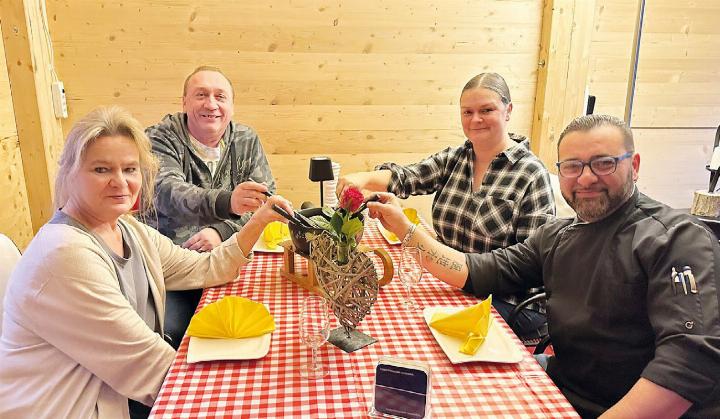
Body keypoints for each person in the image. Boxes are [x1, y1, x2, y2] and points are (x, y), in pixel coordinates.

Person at [368, 114, 720, 418]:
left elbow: (687, 366)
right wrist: (405, 228)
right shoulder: (557, 236)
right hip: (564, 387)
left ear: (635, 165)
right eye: (572, 166)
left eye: (604, 162)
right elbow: (477, 270)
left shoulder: (676, 239)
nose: (585, 178)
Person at [0, 107, 293, 418]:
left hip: (120, 392)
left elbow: (204, 267)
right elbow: (153, 370)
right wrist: (256, 395)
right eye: (101, 170)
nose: (120, 182)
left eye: (130, 169)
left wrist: (259, 220)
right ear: (70, 172)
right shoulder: (64, 255)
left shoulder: (128, 229)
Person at [338, 72, 555, 339]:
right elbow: (408, 177)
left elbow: (530, 269)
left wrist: (409, 231)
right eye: (468, 112)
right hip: (454, 281)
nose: (476, 119)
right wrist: (364, 178)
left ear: (508, 110)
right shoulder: (456, 158)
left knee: (411, 322)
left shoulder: (531, 175)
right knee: (392, 307)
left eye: (487, 110)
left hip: (508, 301)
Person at [145, 65, 276, 347]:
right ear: (184, 102)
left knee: (260, 328)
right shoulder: (160, 138)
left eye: (220, 96)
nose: (211, 104)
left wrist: (221, 230)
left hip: (230, 257)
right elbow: (168, 193)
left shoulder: (246, 140)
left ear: (232, 105)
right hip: (174, 267)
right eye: (201, 95)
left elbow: (264, 202)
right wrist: (227, 202)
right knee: (174, 337)